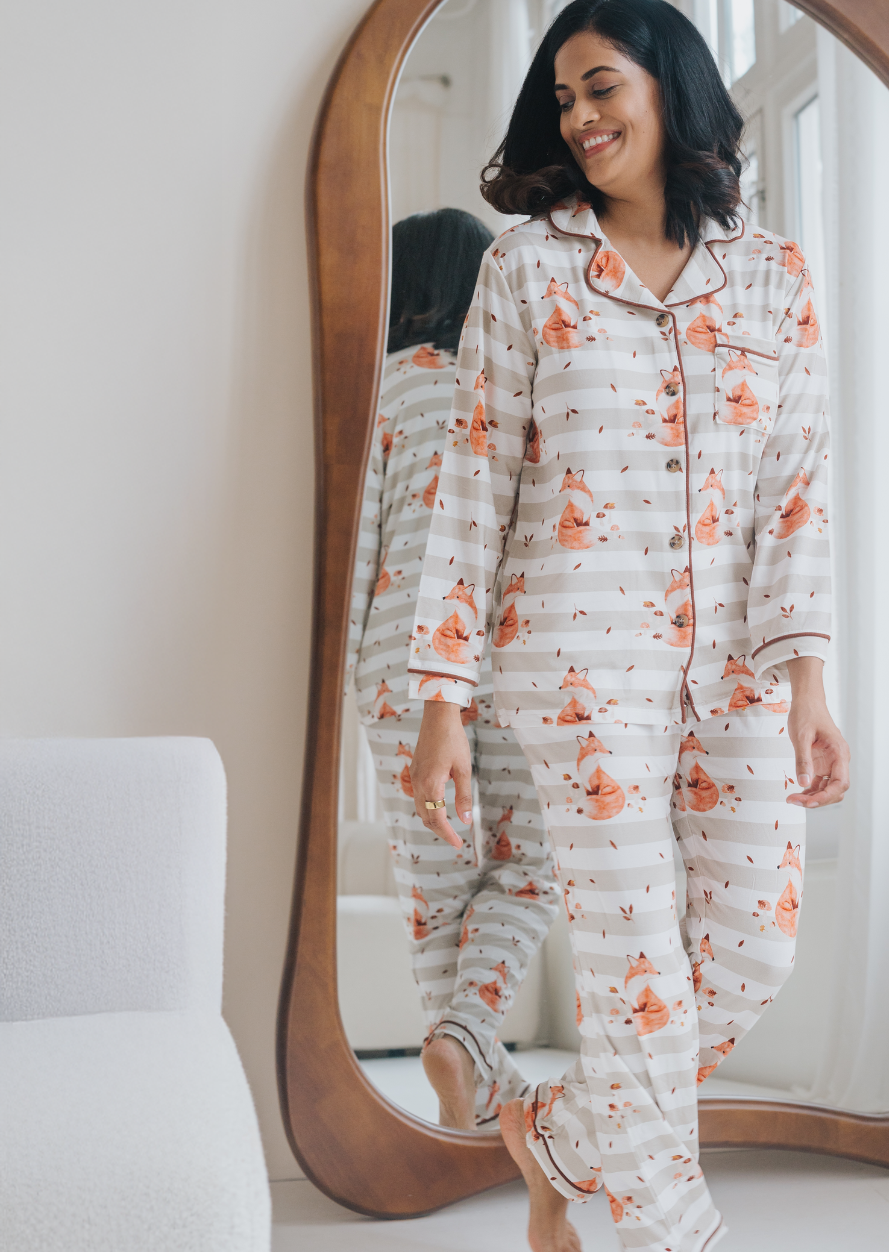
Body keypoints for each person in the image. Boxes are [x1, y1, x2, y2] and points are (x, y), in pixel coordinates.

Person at [407, 0, 850, 1252]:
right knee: (639, 977)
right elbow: (473, 484)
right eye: (563, 99)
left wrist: (809, 683)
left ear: (671, 88)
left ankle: (558, 1138)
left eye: (602, 86)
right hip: (579, 672)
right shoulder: (527, 269)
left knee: (752, 954)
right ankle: (673, 1232)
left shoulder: (773, 278)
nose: (580, 117)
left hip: (743, 672)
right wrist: (443, 703)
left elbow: (799, 491)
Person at [347, 207, 562, 1131]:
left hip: (398, 667)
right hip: (503, 660)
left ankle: (469, 1075)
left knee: (436, 897)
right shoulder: (514, 390)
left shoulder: (381, 399)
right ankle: (471, 1041)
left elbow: (359, 551)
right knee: (532, 867)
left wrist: (357, 684)